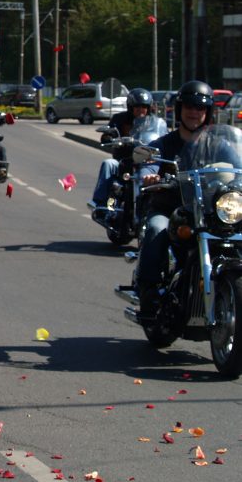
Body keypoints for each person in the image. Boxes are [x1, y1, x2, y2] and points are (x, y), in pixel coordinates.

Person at [133, 81, 213, 316]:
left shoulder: (216, 144)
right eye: (189, 106)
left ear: (207, 112)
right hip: (171, 209)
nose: (194, 112)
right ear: (180, 109)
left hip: (208, 213)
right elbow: (149, 165)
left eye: (200, 108)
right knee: (157, 229)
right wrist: (150, 177)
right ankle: (147, 292)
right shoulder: (165, 143)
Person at [89, 88, 153, 213]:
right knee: (108, 165)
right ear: (130, 107)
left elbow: (161, 135)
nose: (141, 110)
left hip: (146, 164)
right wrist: (109, 136)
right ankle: (102, 205)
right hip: (124, 162)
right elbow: (110, 132)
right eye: (137, 107)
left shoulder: (153, 122)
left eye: (144, 107)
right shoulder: (120, 119)